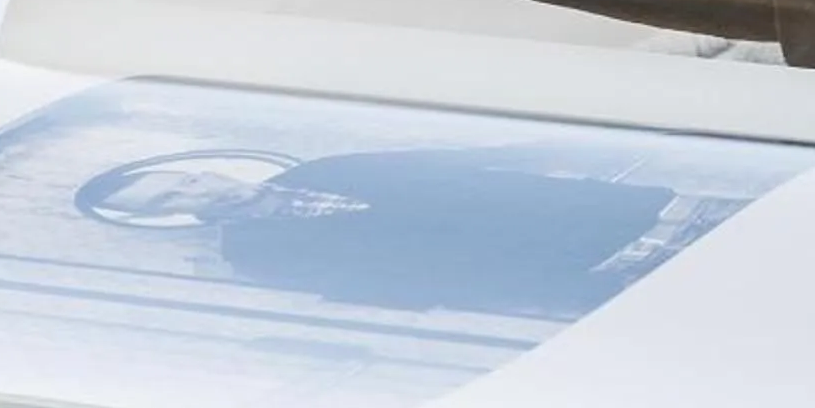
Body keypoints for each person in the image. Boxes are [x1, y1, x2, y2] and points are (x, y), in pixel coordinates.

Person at [75, 143, 679, 320]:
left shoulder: (326, 164)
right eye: (170, 202)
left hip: (629, 214)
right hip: (584, 281)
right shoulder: (259, 257)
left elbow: (458, 162)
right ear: (169, 220)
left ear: (202, 171)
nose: (195, 193)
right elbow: (412, 290)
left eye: (183, 182)